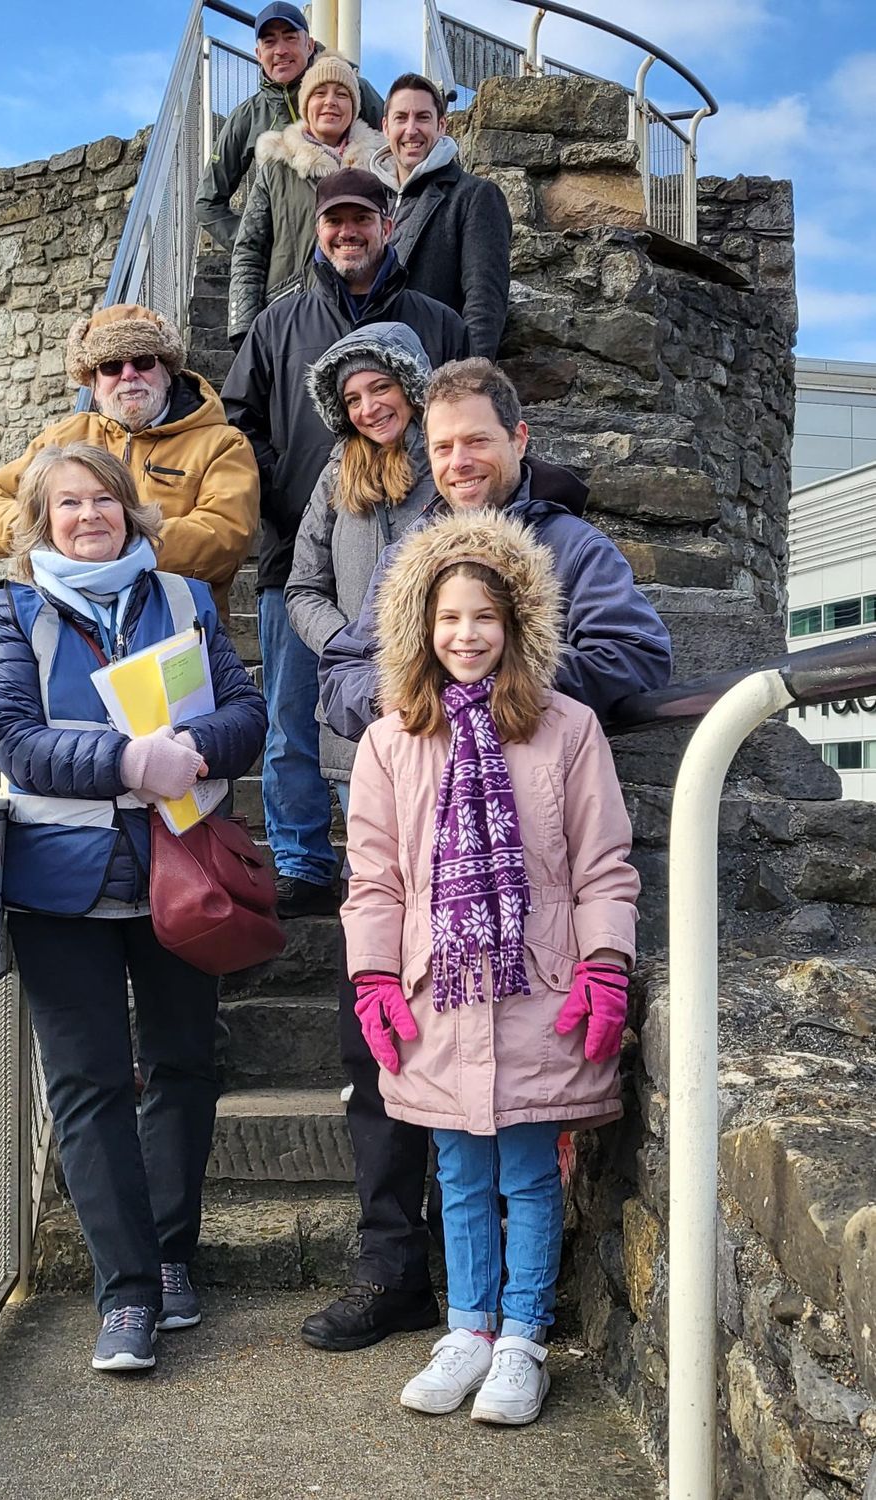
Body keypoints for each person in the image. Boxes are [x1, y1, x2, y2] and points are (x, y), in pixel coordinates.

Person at [301, 360, 670, 1353]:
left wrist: (517, 688)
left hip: (526, 879)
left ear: (518, 440)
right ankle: (397, 1271)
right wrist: (406, 697)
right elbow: (342, 674)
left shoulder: (573, 548)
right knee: (379, 1065)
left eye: (475, 440)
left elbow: (638, 657)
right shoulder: (413, 553)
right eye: (441, 445)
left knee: (517, 1135)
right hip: (417, 857)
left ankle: (519, 1318)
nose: (457, 460)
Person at [0, 442, 265, 1374]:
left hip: (181, 876)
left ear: (130, 510)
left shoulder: (183, 599)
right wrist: (124, 762)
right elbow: (15, 740)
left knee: (182, 1063)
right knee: (89, 1085)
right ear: (40, 523)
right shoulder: (10, 610)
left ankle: (173, 1256)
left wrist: (193, 748)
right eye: (68, 505)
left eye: (103, 499)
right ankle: (126, 1293)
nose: (89, 516)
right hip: (59, 887)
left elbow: (247, 711)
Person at [341, 507, 639, 1422]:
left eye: (483, 617)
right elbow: (374, 875)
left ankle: (521, 1338)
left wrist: (604, 966)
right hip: (440, 993)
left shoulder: (567, 728)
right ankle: (466, 1329)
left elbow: (600, 862)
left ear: (515, 626)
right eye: (447, 619)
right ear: (419, 630)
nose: (465, 636)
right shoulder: (391, 739)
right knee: (459, 1174)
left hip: (535, 989)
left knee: (524, 1170)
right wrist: (374, 979)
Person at [223, 169, 469, 918]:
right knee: (294, 717)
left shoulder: (436, 321)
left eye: (361, 218)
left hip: (420, 568)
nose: (346, 232)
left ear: (387, 224)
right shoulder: (277, 322)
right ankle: (300, 859)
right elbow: (240, 425)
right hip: (301, 555)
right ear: (319, 230)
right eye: (333, 221)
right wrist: (289, 503)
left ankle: (407, 854)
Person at [0, 302, 258, 620]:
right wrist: (48, 528)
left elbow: (225, 535)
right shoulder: (68, 436)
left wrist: (117, 544)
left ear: (165, 368)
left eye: (143, 361)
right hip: (70, 625)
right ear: (93, 381)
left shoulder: (222, 444)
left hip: (174, 624)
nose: (129, 374)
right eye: (111, 366)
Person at [285, 321, 433, 808]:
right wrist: (345, 646)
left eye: (380, 388)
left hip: (437, 700)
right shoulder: (334, 477)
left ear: (410, 387)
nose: (368, 409)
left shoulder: (448, 466)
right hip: (358, 709)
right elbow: (303, 588)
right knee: (372, 871)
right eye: (353, 399)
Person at [195, 1, 384, 252]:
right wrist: (259, 244)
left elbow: (398, 151)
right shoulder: (247, 117)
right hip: (289, 273)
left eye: (290, 38)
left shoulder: (352, 90)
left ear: (309, 44)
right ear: (258, 53)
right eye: (269, 42)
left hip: (354, 250)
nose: (280, 50)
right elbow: (207, 203)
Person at [227, 49, 385, 347]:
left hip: (365, 320)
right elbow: (249, 251)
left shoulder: (381, 167)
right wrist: (243, 329)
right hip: (288, 322)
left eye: (341, 94)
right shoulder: (276, 168)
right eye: (319, 93)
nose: (330, 102)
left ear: (354, 105)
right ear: (305, 104)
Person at [371, 73, 512, 358]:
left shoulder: (474, 196)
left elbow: (484, 304)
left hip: (438, 377)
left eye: (422, 117)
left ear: (442, 125)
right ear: (386, 127)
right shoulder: (368, 201)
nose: (411, 130)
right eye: (401, 118)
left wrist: (471, 383)